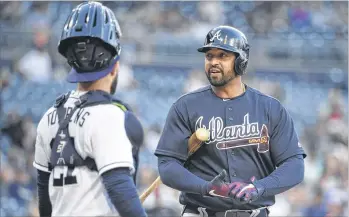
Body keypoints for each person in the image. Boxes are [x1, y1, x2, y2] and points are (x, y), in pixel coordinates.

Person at [155, 25, 306, 217]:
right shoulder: (185, 107)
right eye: (209, 56)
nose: (213, 62)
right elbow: (167, 165)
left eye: (222, 56)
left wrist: (258, 187)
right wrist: (207, 187)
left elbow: (294, 165)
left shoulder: (270, 108)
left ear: (241, 61)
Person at [32, 2, 147, 217]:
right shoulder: (110, 115)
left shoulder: (49, 117)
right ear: (115, 66)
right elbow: (120, 188)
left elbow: (43, 193)